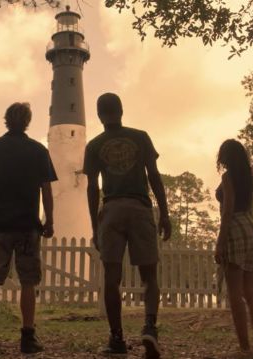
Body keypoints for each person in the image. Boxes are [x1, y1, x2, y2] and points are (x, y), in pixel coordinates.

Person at [84, 93, 171, 359]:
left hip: (111, 209)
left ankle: (117, 339)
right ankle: (149, 327)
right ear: (121, 111)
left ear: (100, 115)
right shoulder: (141, 137)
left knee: (112, 277)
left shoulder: (94, 145)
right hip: (140, 207)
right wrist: (165, 214)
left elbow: (92, 188)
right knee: (149, 275)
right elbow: (153, 176)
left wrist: (94, 226)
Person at [0, 102, 57, 356]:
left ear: (6, 119)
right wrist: (49, 221)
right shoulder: (38, 151)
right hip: (27, 226)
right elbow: (46, 190)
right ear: (27, 121)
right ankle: (28, 338)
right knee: (28, 281)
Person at [214, 139, 253, 358]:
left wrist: (220, 241)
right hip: (252, 229)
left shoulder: (228, 177)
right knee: (250, 292)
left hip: (235, 227)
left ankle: (244, 348)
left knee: (234, 293)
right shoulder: (248, 177)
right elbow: (250, 210)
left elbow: (227, 210)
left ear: (225, 156)